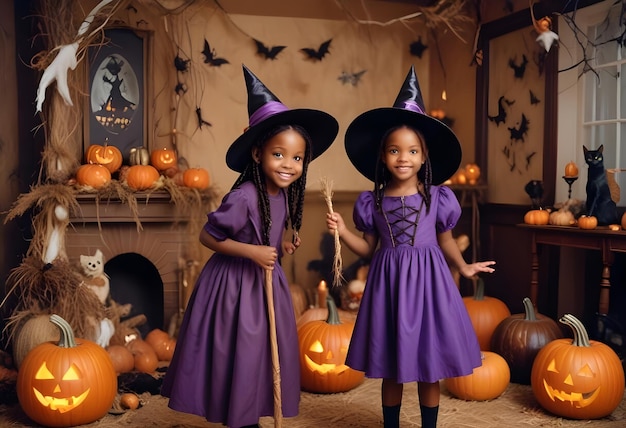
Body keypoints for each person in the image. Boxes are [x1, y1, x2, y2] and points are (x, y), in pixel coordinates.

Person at [162, 65, 339, 428]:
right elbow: (207, 236)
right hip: (234, 287)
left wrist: (283, 243)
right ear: (258, 154)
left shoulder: (285, 193)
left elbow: (268, 232)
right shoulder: (244, 195)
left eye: (297, 158)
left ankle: (254, 415)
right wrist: (253, 252)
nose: (289, 165)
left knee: (263, 357)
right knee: (241, 353)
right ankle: (240, 420)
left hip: (265, 285)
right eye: (279, 155)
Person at [326, 66, 495, 428]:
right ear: (383, 156)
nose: (403, 157)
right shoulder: (371, 201)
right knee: (392, 365)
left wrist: (464, 267)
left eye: (412, 150)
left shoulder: (439, 197)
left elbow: (445, 238)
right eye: (394, 150)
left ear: (424, 156)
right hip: (388, 284)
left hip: (430, 284)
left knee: (428, 364)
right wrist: (342, 231)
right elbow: (369, 249)